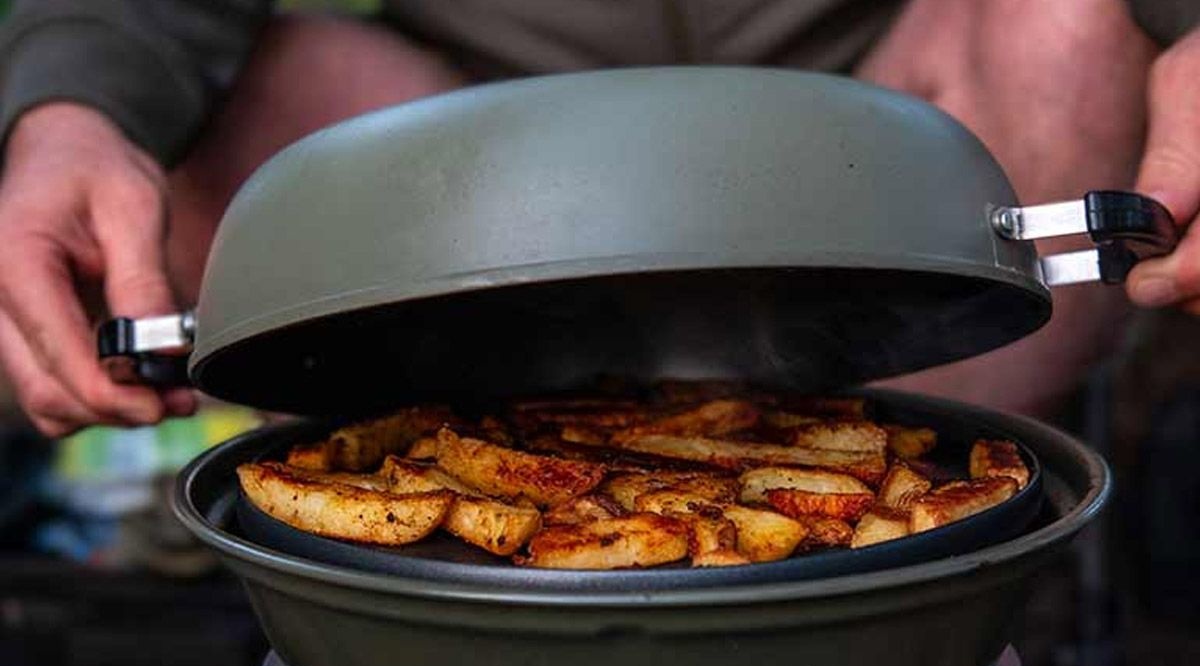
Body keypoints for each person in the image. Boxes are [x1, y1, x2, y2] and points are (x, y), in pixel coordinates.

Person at [0, 0, 1195, 438]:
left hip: (878, 136)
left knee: (1066, 26)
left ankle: (905, 561)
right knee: (240, 106)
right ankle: (459, 576)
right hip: (478, 164)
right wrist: (73, 103)